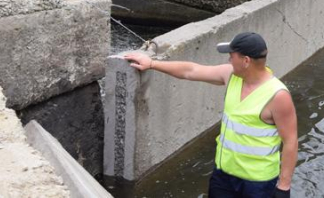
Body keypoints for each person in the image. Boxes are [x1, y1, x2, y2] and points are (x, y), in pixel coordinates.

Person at [124, 32, 297, 198]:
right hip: (224, 176)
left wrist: (283, 187)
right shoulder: (231, 76)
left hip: (258, 184)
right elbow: (190, 71)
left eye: (232, 55)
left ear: (246, 61)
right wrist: (152, 64)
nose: (228, 59)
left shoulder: (278, 96)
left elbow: (290, 141)